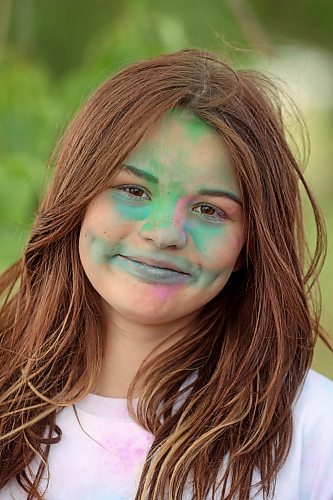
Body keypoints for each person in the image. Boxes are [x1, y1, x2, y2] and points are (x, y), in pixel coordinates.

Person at [0, 48, 332, 500]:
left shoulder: (316, 430)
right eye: (133, 189)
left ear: (249, 244)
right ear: (77, 200)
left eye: (209, 209)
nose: (163, 233)